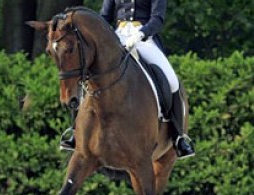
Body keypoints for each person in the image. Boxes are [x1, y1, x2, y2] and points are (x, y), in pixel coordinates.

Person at [60, 0, 195, 158]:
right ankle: (76, 131)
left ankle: (178, 137)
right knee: (88, 75)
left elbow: (157, 18)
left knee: (171, 80)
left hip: (145, 38)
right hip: (116, 38)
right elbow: (104, 16)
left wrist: (142, 33)